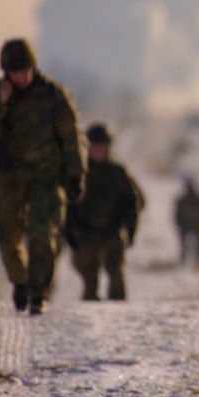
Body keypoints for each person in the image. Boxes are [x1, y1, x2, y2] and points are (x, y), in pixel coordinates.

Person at [0, 38, 85, 315]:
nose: (21, 77)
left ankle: (38, 294)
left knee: (42, 234)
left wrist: (75, 177)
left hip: (46, 177)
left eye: (25, 71)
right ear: (6, 72)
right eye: (14, 72)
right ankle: (20, 282)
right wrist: (0, 102)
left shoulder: (53, 95)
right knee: (7, 233)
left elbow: (71, 137)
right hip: (10, 177)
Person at [66, 123, 144, 301]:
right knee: (88, 274)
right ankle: (89, 307)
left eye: (102, 147)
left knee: (115, 269)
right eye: (94, 147)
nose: (98, 151)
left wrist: (130, 229)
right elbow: (68, 204)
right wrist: (69, 230)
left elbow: (132, 203)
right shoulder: (79, 173)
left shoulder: (117, 173)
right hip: (85, 230)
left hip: (111, 229)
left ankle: (118, 309)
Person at [174, 177, 199, 269]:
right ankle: (183, 262)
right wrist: (181, 225)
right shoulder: (181, 201)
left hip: (197, 226)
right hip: (185, 226)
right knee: (184, 245)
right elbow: (177, 216)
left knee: (198, 246)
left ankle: (198, 263)